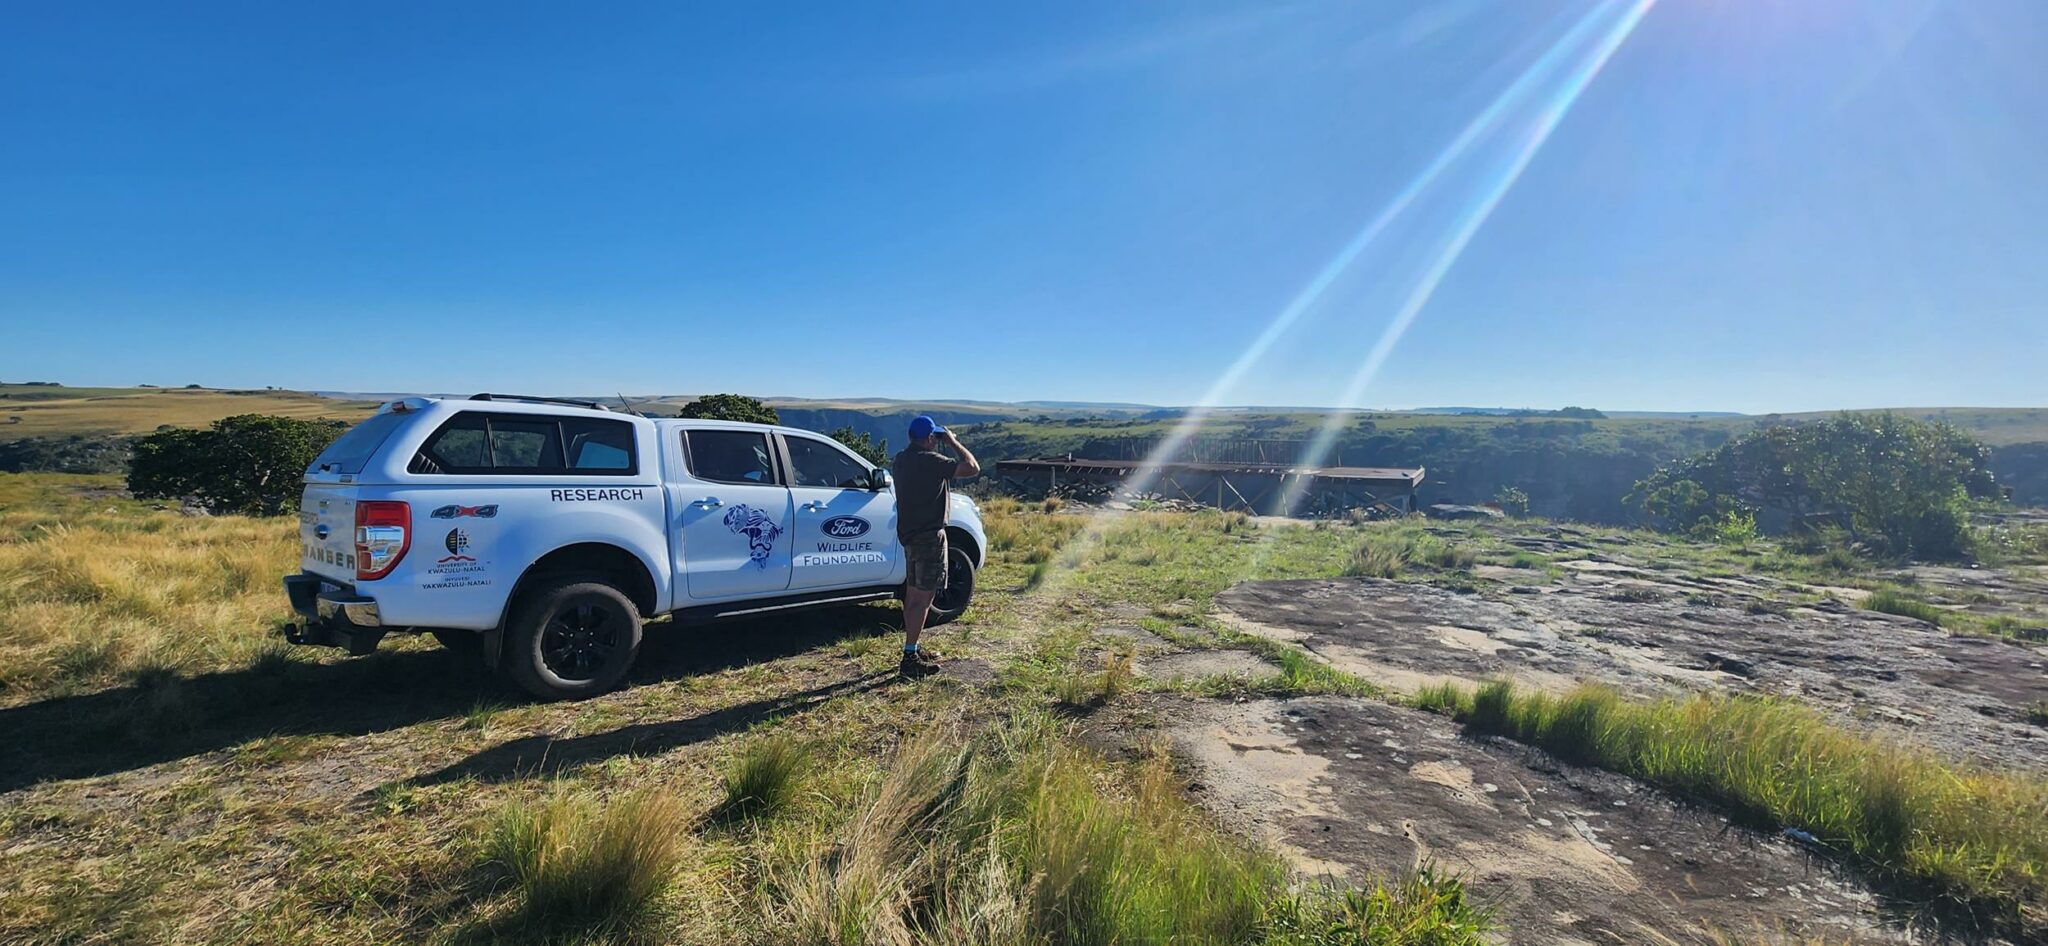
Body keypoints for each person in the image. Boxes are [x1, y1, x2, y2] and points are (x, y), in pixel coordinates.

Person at [890, 415, 979, 677]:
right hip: (929, 537)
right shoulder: (930, 461)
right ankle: (909, 659)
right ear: (930, 438)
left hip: (909, 535)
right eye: (935, 437)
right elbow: (971, 467)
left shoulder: (901, 460)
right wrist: (952, 442)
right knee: (923, 598)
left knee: (912, 595)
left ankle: (913, 647)